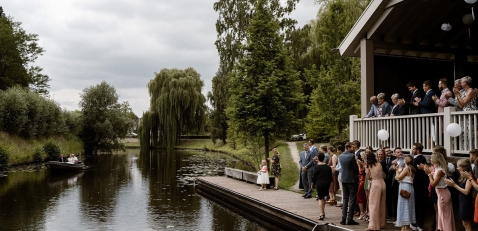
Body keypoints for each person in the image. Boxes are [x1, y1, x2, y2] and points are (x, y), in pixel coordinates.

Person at [423, 153, 456, 231]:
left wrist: (429, 175)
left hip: (442, 194)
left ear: (435, 160)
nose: (430, 159)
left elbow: (433, 183)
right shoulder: (437, 168)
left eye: (432, 158)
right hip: (440, 193)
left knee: (444, 216)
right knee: (442, 215)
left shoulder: (440, 170)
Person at [444, 159, 474, 231]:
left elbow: (466, 192)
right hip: (462, 201)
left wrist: (454, 185)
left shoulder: (469, 177)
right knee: (464, 223)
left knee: (467, 224)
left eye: (458, 166)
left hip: (466, 203)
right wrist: (452, 184)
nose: (457, 168)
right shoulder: (463, 176)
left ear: (463, 167)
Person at [339, 142, 360, 226]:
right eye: (352, 147)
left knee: (345, 199)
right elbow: (355, 168)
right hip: (351, 179)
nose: (353, 148)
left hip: (344, 178)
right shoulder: (351, 156)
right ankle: (350, 218)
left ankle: (343, 218)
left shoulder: (341, 156)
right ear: (348, 148)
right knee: (352, 199)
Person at [453, 76, 477, 150]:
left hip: (470, 112)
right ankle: (464, 149)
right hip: (464, 112)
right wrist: (458, 95)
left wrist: (457, 95)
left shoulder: (471, 91)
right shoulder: (463, 92)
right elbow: (460, 105)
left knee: (470, 132)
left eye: (462, 82)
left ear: (465, 83)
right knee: (464, 132)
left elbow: (464, 102)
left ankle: (471, 149)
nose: (461, 83)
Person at [394, 155, 416, 231]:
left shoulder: (407, 168)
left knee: (404, 205)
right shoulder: (412, 169)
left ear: (405, 161)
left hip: (405, 187)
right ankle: (405, 224)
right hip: (409, 187)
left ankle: (406, 225)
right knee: (408, 205)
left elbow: (399, 178)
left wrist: (396, 170)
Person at [366, 152, 386, 231]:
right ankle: (381, 223)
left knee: (373, 205)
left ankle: (373, 226)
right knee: (382, 204)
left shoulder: (368, 166)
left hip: (375, 184)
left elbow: (368, 177)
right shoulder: (379, 164)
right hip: (382, 183)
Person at [411, 143, 428, 231]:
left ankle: (418, 224)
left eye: (414, 149)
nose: (412, 150)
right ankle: (418, 223)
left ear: (418, 150)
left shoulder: (418, 159)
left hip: (419, 185)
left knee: (419, 204)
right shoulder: (422, 158)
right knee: (419, 204)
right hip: (420, 185)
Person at [311, 152, 333, 221]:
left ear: (318, 158)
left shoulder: (316, 167)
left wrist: (312, 184)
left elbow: (314, 177)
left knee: (320, 198)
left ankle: (321, 214)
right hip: (327, 183)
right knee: (323, 197)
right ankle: (323, 212)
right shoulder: (328, 167)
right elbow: (330, 177)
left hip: (319, 183)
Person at [388, 147, 404, 223]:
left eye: (401, 152)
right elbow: (389, 170)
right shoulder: (393, 161)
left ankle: (400, 218)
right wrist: (393, 167)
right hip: (394, 182)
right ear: (395, 154)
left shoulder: (404, 161)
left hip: (401, 181)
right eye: (398, 152)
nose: (400, 153)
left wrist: (397, 167)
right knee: (395, 199)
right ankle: (395, 217)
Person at [356, 151, 368, 220]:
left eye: (361, 156)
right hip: (360, 180)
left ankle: (363, 212)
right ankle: (362, 212)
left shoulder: (366, 163)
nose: (360, 157)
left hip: (364, 181)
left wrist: (360, 165)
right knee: (360, 196)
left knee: (362, 197)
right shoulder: (361, 163)